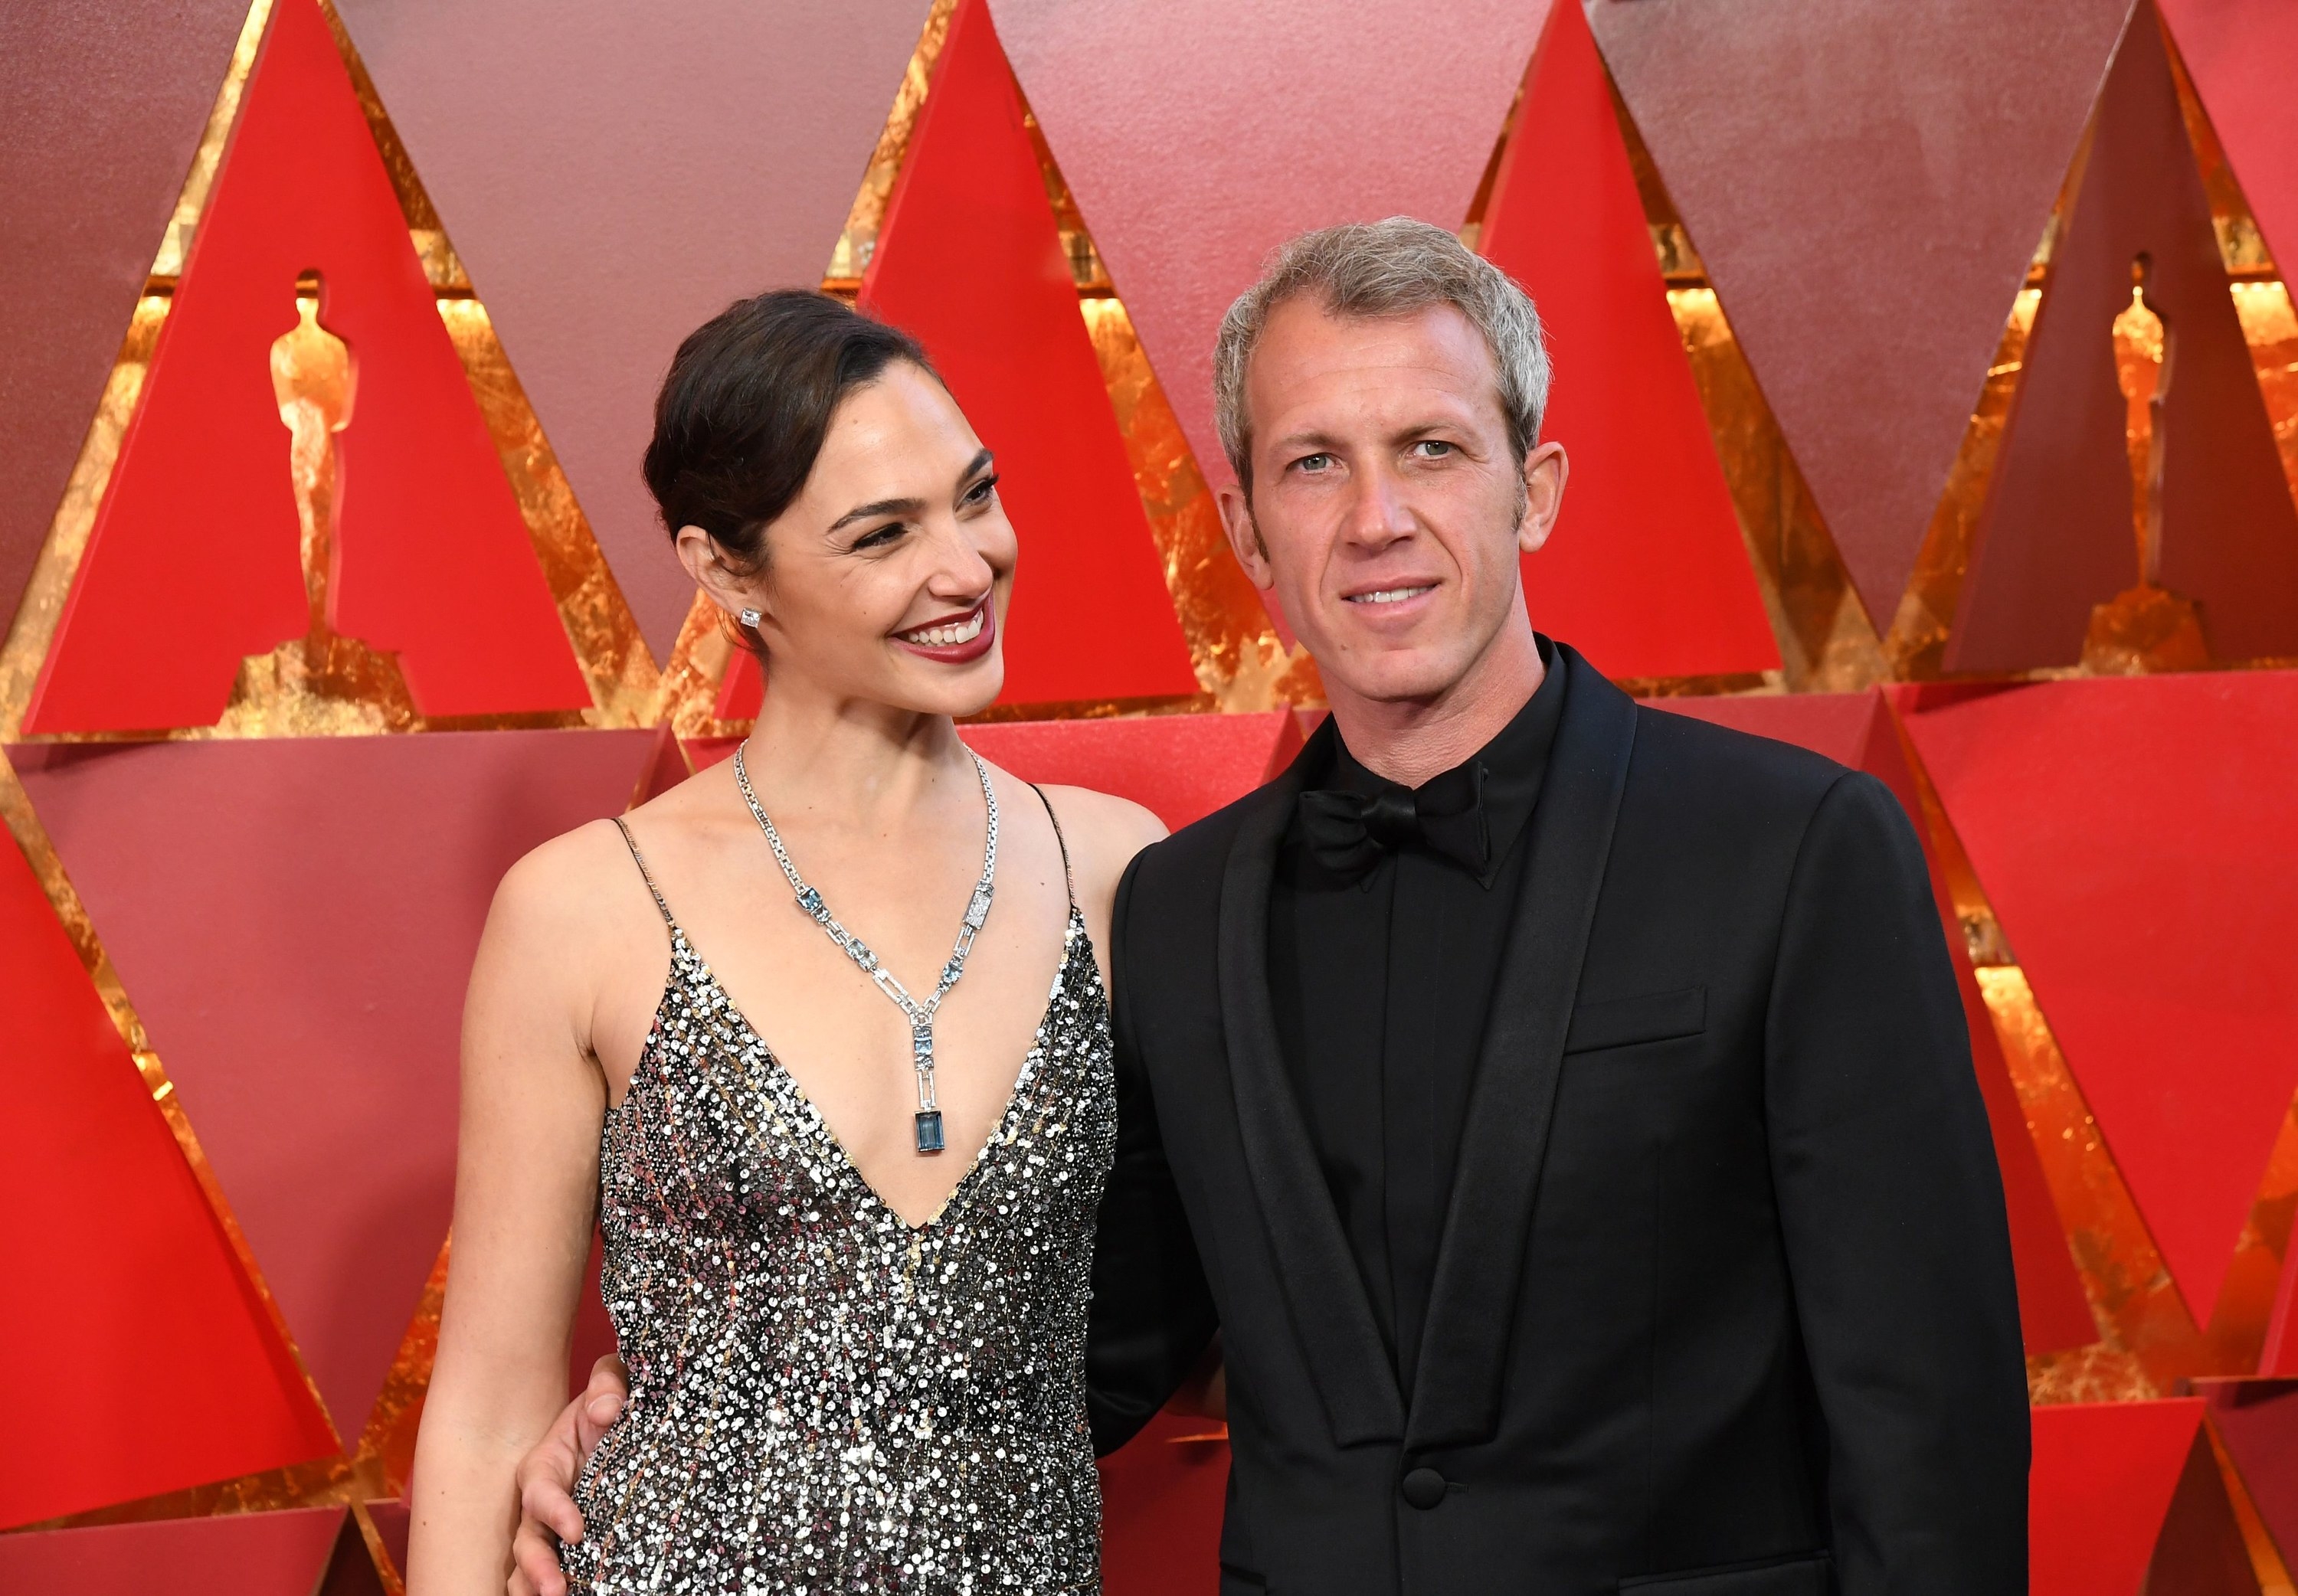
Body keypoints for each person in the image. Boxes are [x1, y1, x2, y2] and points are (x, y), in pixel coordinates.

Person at [510, 220, 2030, 1594]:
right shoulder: (1175, 907)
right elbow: (1082, 1350)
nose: (1377, 518)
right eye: (1314, 463)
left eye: (1431, 449)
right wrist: (706, 1416)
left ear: (1536, 489)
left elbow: (1929, 1418)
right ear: (1246, 533)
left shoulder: (1798, 848)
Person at [405, 290, 1163, 1594]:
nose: (966, 567)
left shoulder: (1113, 865)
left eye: (974, 497)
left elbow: (1228, 1296)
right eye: (883, 535)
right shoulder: (584, 909)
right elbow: (485, 1411)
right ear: (724, 570)